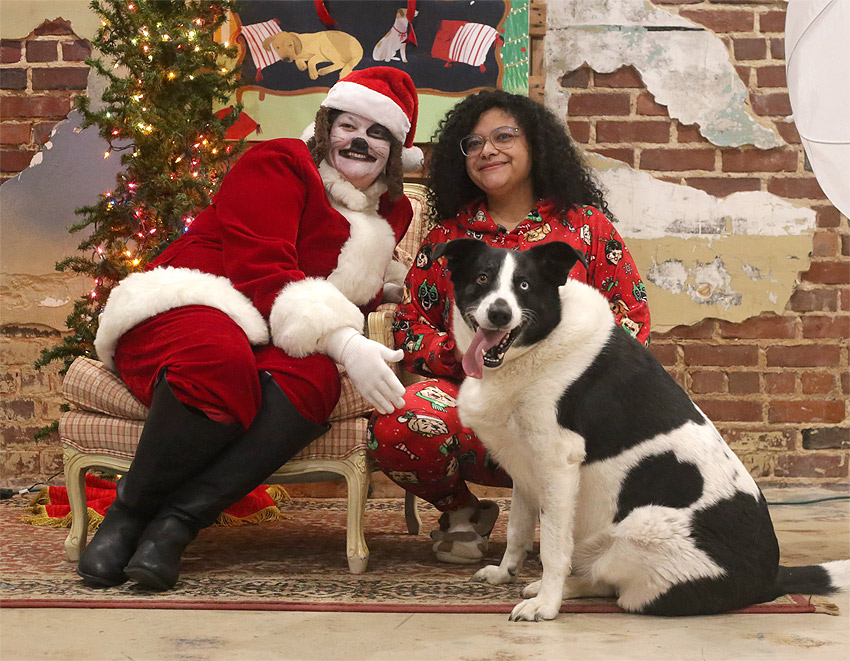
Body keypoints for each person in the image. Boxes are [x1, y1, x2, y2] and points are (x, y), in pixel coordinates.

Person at [76, 67, 422, 591]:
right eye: (348, 125)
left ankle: (176, 523)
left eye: (378, 133)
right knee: (218, 362)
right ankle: (128, 515)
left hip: (266, 327)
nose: (359, 141)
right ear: (327, 126)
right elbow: (265, 269)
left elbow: (346, 281)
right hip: (194, 294)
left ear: (394, 152)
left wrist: (394, 293)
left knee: (313, 383)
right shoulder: (279, 161)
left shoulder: (387, 212)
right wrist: (347, 341)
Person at [369, 89, 651, 564]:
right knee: (400, 421)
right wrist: (461, 357)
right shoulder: (448, 239)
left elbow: (631, 320)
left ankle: (576, 530)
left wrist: (559, 370)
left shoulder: (585, 229)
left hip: (566, 416)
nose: (487, 151)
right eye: (473, 143)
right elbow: (411, 324)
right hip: (480, 413)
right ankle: (462, 513)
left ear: (536, 145)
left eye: (503, 136)